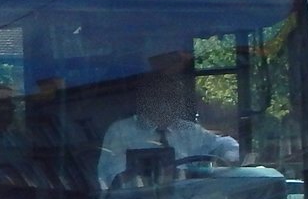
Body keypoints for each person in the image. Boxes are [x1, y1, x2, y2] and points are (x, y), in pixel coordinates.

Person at [97, 70, 239, 190]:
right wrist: (150, 171)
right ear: (145, 99)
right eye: (160, 97)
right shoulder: (121, 131)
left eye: (173, 97)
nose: (167, 104)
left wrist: (230, 156)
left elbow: (221, 143)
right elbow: (112, 177)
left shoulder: (188, 129)